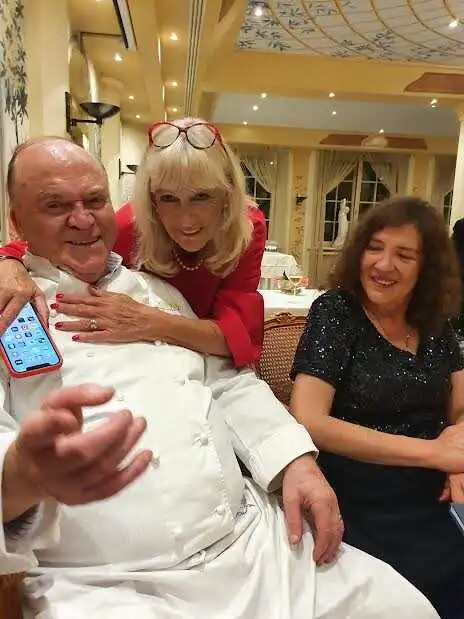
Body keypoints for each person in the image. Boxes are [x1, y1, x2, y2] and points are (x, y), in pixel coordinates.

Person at [0, 138, 441, 619]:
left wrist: (296, 462)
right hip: (104, 582)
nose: (83, 219)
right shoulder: (8, 308)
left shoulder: (156, 290)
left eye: (94, 200)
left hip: (252, 545)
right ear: (17, 222)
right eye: (55, 206)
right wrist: (21, 472)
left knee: (404, 607)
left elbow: (229, 382)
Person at [291, 196, 464, 619]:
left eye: (404, 255)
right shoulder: (337, 312)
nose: (384, 265)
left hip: (428, 499)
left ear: (426, 267)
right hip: (354, 499)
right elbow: (308, 419)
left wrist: (457, 459)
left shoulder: (436, 324)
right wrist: (434, 453)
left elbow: (461, 407)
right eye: (375, 248)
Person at [0, 118, 266, 367]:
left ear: (227, 195)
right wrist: (8, 262)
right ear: (151, 200)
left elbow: (238, 339)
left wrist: (151, 321)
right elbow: (50, 244)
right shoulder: (131, 226)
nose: (185, 220)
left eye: (202, 197)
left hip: (203, 360)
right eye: (168, 198)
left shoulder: (246, 228)